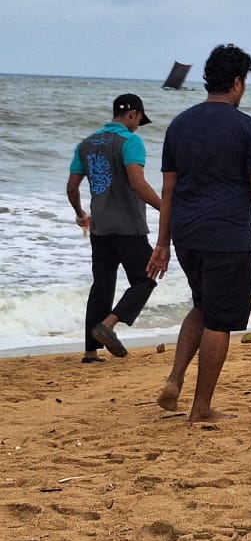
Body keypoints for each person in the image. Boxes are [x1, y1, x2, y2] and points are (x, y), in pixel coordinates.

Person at [145, 44, 251, 423]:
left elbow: (168, 190)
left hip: (186, 236)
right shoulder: (246, 127)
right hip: (226, 238)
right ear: (238, 83)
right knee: (220, 320)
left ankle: (175, 379)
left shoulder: (179, 125)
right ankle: (201, 408)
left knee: (203, 306)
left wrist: (162, 243)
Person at [67, 94, 163, 363]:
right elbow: (137, 183)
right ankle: (108, 324)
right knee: (145, 279)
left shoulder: (85, 144)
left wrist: (81, 214)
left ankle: (90, 351)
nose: (138, 126)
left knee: (102, 286)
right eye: (139, 120)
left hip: (100, 228)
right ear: (132, 114)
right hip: (128, 226)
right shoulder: (130, 141)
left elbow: (72, 187)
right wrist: (166, 208)